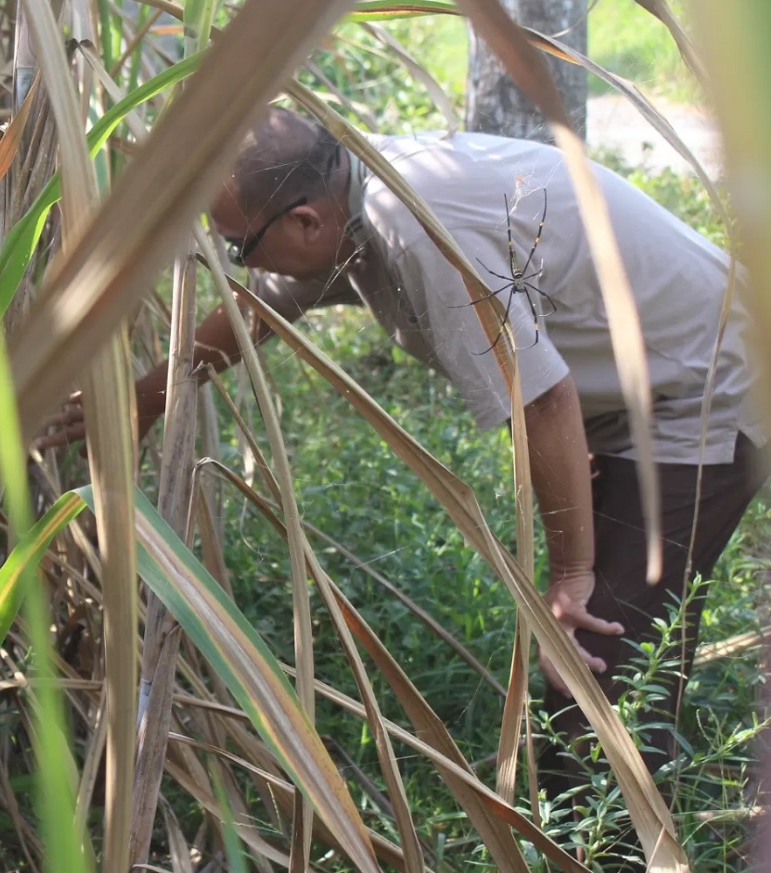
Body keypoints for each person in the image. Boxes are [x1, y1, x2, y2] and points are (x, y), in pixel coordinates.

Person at [41, 106, 768, 860]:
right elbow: (253, 311)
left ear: (306, 222)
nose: (236, 262)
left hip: (705, 385)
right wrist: (141, 399)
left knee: (594, 660)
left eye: (238, 244)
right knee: (619, 645)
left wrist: (571, 579)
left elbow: (543, 399)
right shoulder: (351, 198)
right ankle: (607, 818)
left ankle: (605, 846)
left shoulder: (416, 229)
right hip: (625, 390)